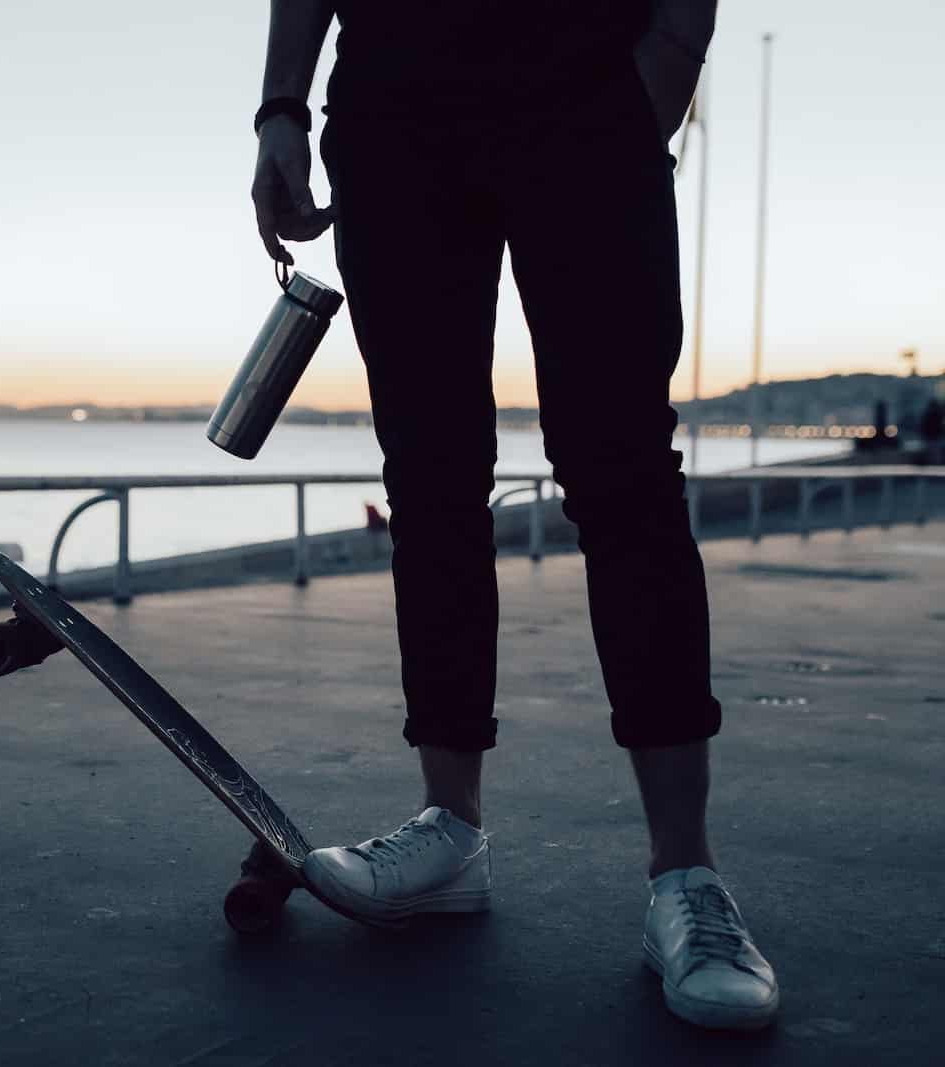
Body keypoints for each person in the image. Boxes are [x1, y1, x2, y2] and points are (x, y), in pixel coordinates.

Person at [250, 0, 778, 1031]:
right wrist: (282, 108)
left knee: (621, 467)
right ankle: (449, 826)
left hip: (585, 80)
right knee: (430, 473)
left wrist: (669, 53)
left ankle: (686, 876)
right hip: (393, 101)